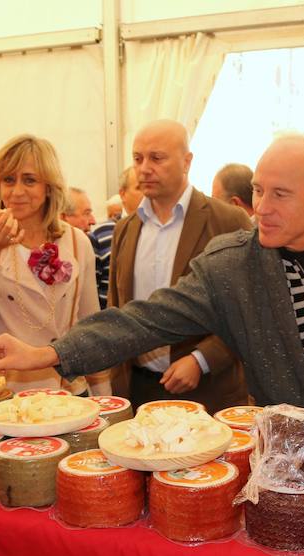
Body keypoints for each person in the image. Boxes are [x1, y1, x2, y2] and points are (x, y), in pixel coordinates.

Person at [0, 132, 304, 426]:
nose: (261, 208)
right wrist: (47, 353)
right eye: (258, 190)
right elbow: (144, 321)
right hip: (287, 448)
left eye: (280, 194)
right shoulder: (232, 264)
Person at [102, 119, 252, 412]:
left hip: (208, 390)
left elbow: (249, 308)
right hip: (139, 389)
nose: (145, 167)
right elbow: (117, 307)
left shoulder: (227, 221)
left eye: (156, 158)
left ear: (187, 161)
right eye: (138, 158)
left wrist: (202, 359)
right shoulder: (126, 229)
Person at [0, 134, 110, 395]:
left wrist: (103, 398)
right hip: (2, 394)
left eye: (29, 180)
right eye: (8, 180)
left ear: (49, 187)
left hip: (66, 391)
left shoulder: (76, 242)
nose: (16, 192)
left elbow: (89, 327)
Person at [91, 167, 141, 309]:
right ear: (123, 194)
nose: (147, 193)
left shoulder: (159, 230)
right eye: (139, 188)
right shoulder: (101, 234)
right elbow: (91, 292)